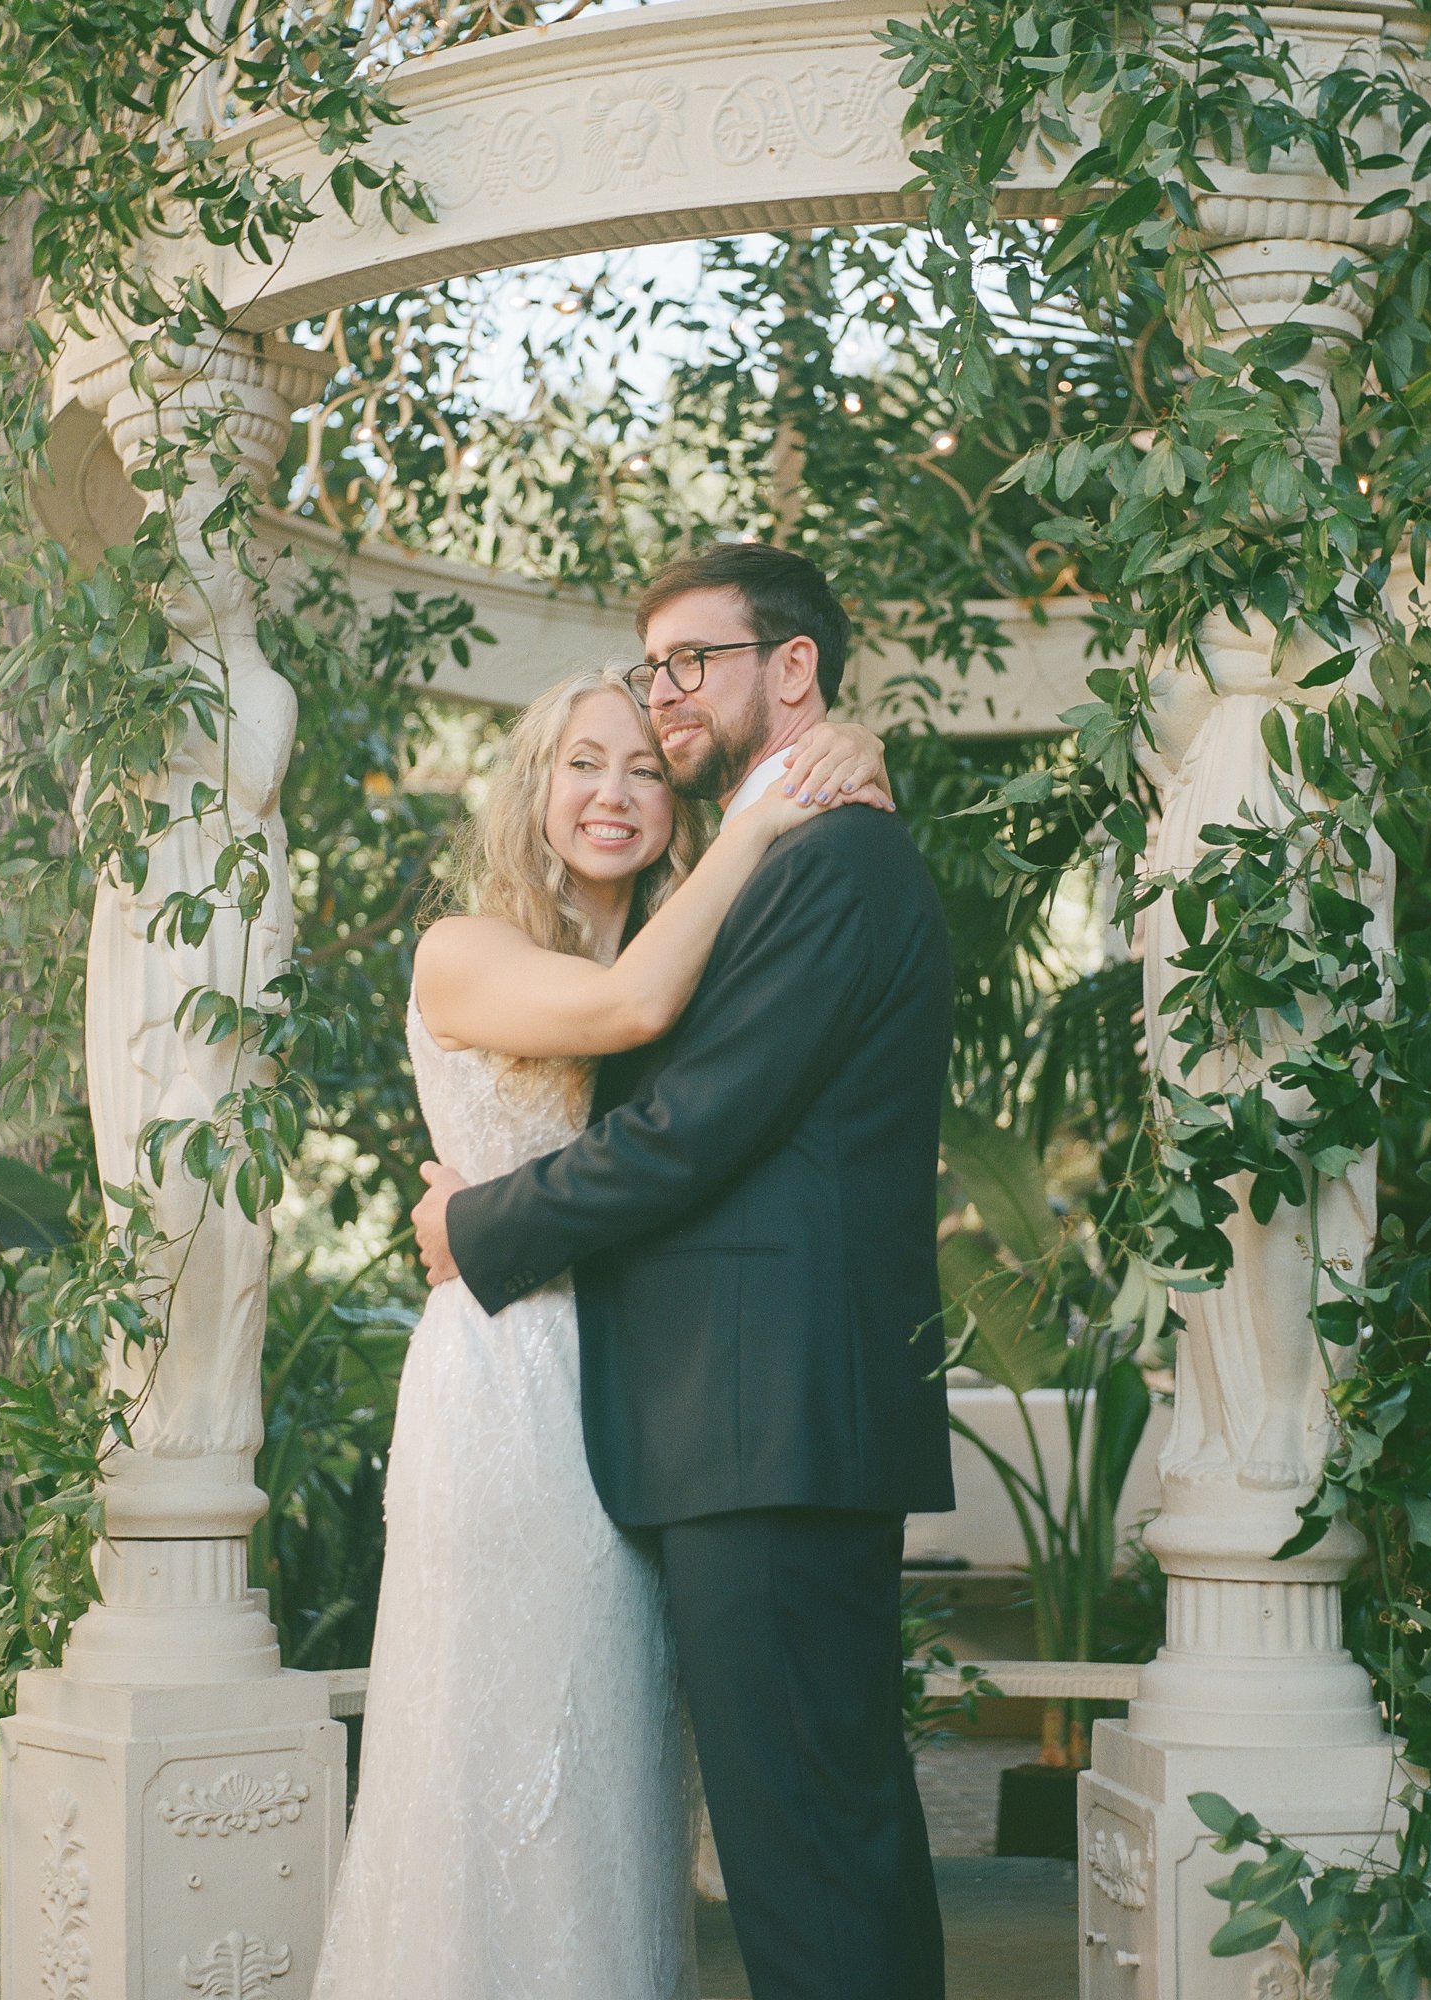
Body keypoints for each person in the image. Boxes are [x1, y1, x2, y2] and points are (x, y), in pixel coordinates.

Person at [413, 543, 956, 2000]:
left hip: (767, 1419)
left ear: (792, 671)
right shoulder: (759, 870)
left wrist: (480, 1228)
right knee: (818, 1831)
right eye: (647, 668)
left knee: (807, 1850)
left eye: (689, 666)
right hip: (724, 1425)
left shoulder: (830, 866)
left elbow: (690, 1133)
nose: (661, 703)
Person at [312, 657, 895, 2000]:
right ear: (532, 787)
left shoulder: (689, 945)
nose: (615, 791)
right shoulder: (465, 946)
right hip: (503, 1379)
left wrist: (840, 752)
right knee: (495, 1729)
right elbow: (624, 1012)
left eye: (644, 766)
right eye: (584, 762)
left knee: (618, 1739)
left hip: (646, 1391)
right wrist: (765, 810)